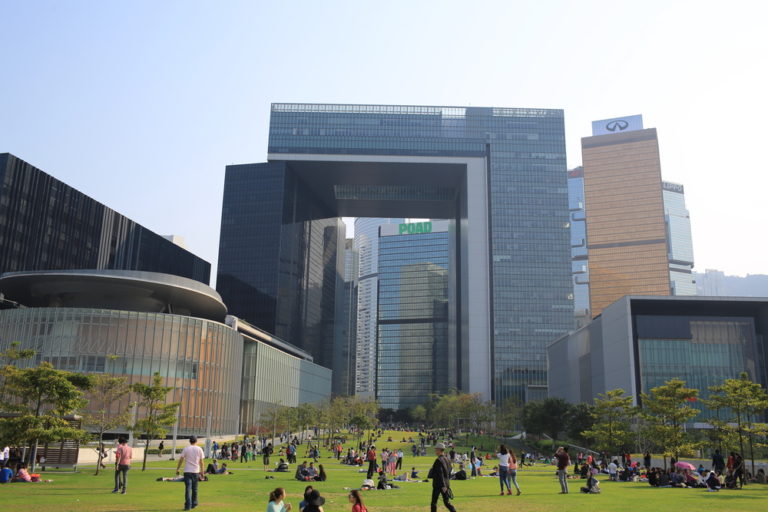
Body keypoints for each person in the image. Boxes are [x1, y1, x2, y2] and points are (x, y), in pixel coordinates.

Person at [176, 435, 205, 511]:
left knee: (188, 489)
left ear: (190, 441)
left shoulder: (186, 449)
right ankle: (194, 504)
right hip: (195, 471)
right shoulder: (199, 449)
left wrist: (178, 468)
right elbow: (201, 462)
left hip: (187, 471)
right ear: (196, 441)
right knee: (195, 489)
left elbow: (181, 459)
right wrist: (202, 472)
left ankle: (187, 506)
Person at [429, 443, 457, 512]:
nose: (435, 450)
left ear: (439, 450)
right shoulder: (447, 460)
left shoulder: (438, 460)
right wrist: (446, 483)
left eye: (436, 449)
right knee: (447, 502)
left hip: (439, 485)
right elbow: (450, 471)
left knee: (434, 503)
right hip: (446, 484)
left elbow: (440, 473)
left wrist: (443, 485)